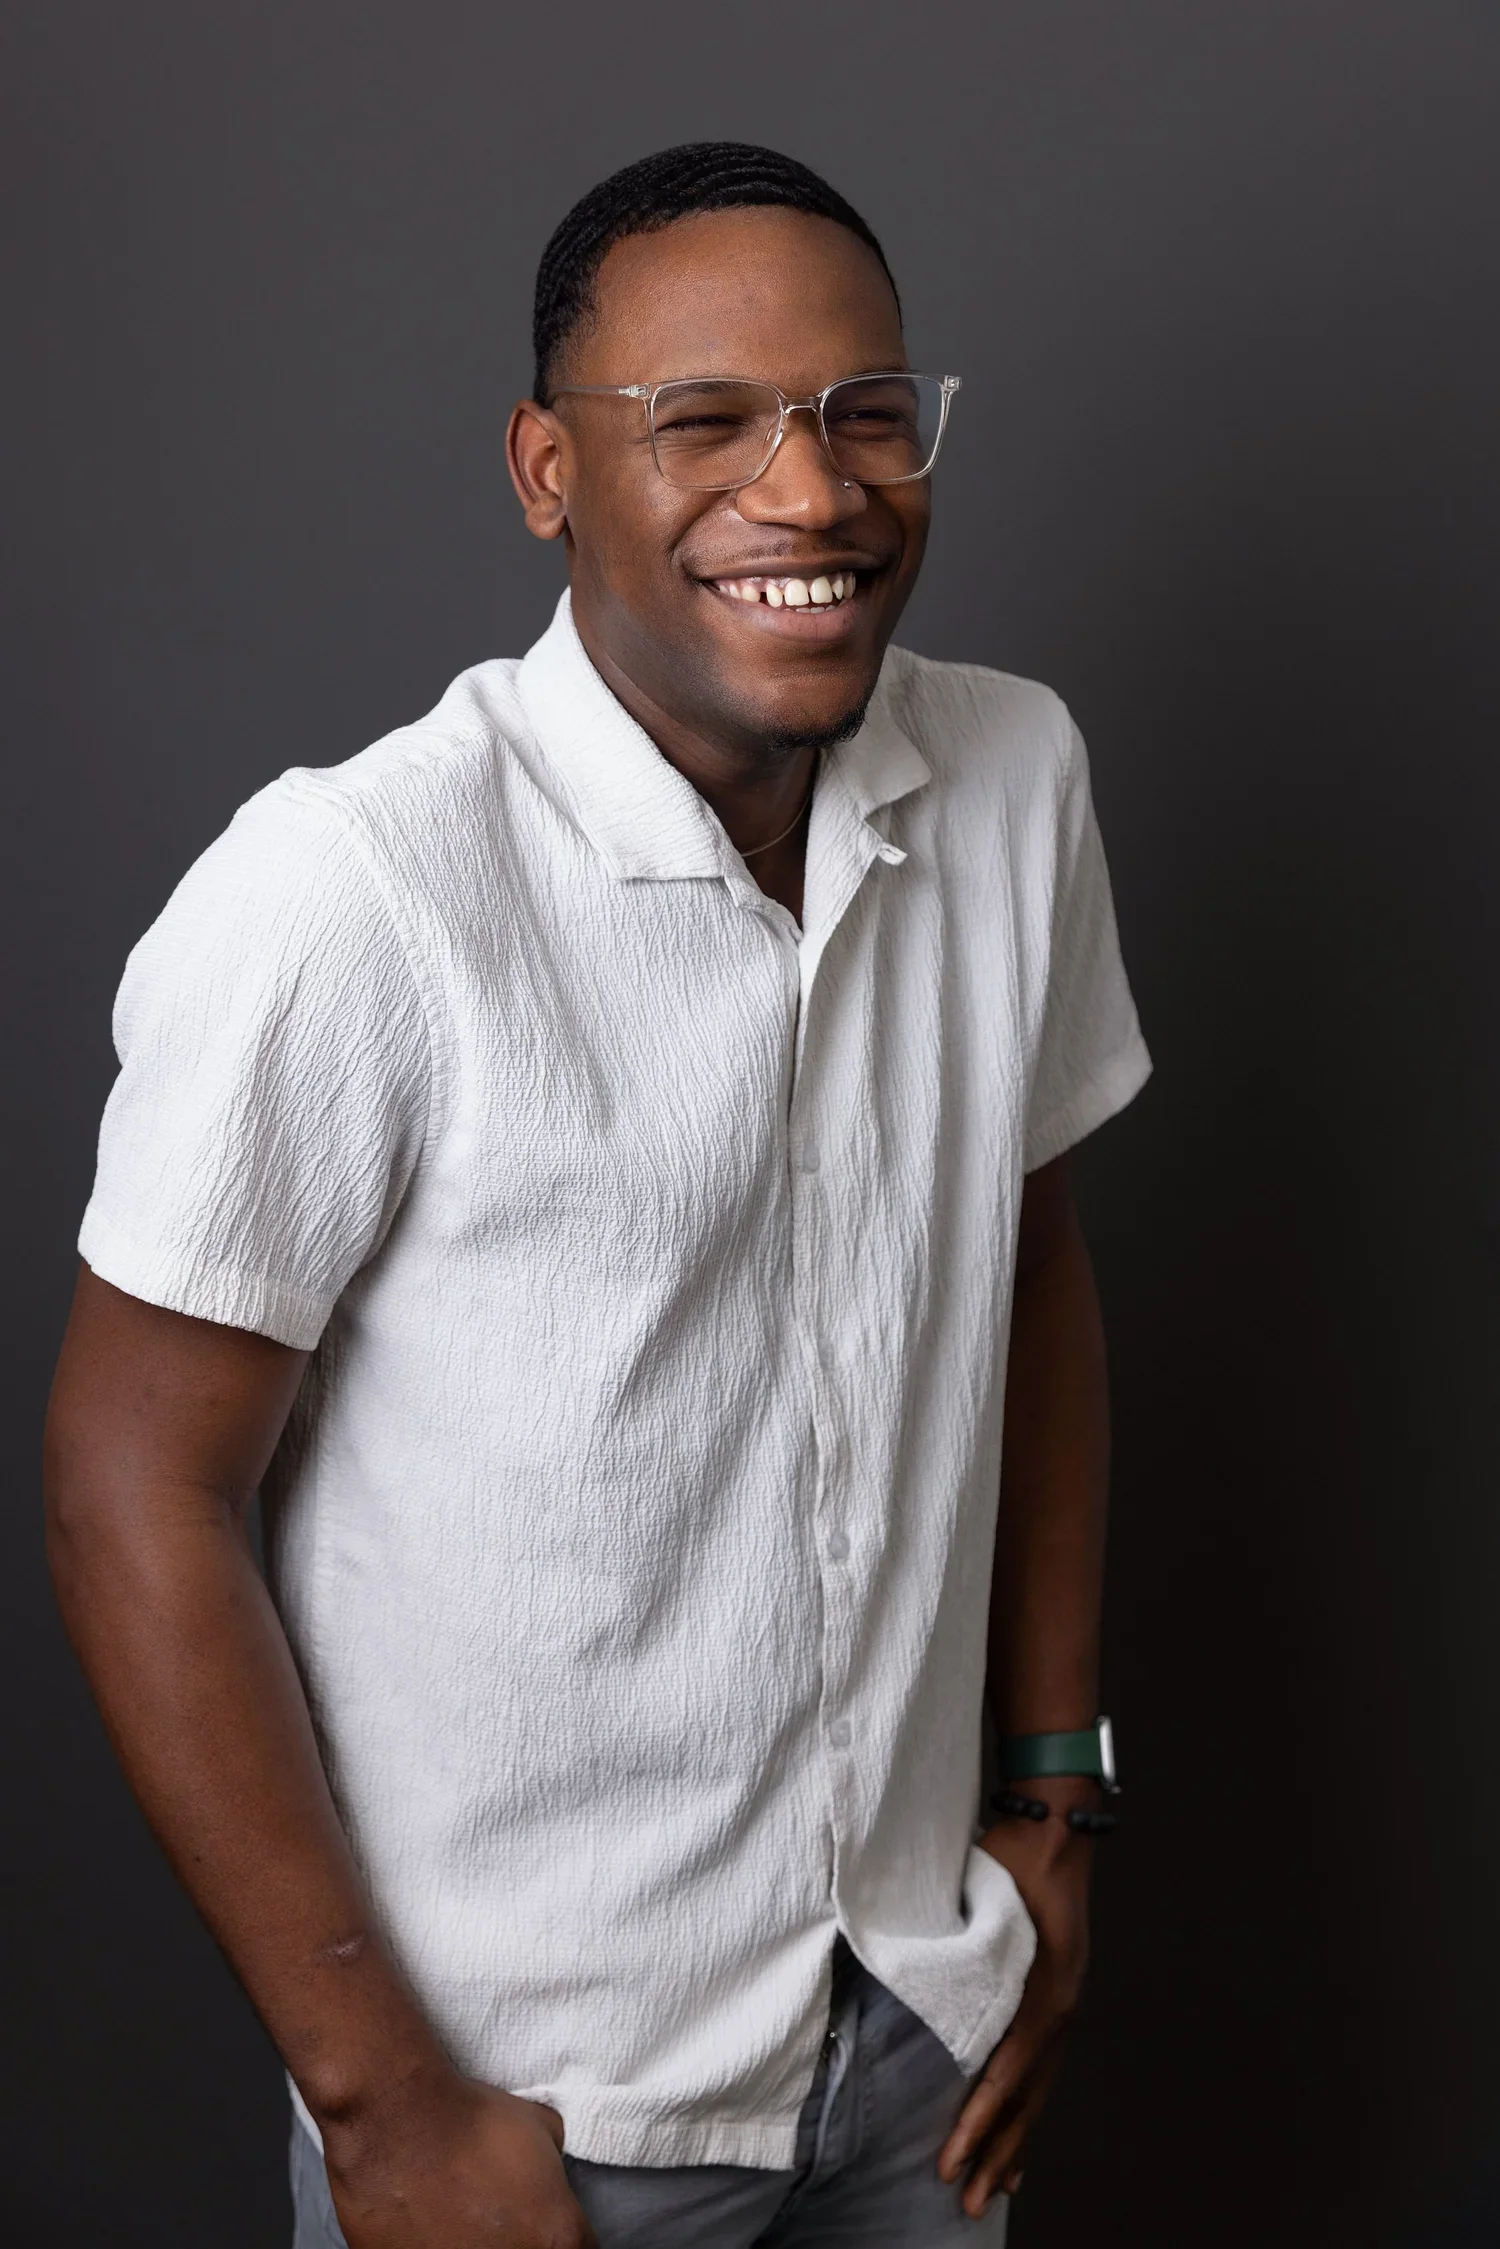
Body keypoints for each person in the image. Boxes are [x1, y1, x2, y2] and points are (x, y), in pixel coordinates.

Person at [44, 142, 1151, 2248]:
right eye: (704, 421)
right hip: (538, 2102)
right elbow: (132, 1483)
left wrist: (1055, 1789)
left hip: (926, 2019)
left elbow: (1028, 1269)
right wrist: (380, 2103)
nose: (809, 492)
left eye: (864, 412)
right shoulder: (357, 891)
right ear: (550, 471)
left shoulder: (1017, 780)